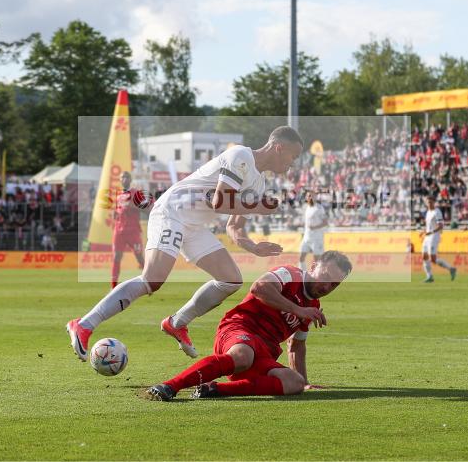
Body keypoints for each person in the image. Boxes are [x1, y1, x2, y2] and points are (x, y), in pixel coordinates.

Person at [67, 126, 304, 361]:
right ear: (279, 147)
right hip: (172, 212)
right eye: (293, 156)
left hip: (193, 226)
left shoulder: (259, 184)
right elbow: (219, 201)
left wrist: (252, 246)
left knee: (230, 279)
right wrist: (258, 207)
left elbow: (234, 227)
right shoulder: (240, 156)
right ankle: (84, 324)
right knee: (153, 278)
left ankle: (177, 322)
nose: (292, 164)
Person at [146, 251, 352, 401]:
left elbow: (296, 346)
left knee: (294, 383)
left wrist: (305, 382)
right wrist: (298, 310)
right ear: (313, 266)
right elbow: (259, 287)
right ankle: (170, 386)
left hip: (263, 353)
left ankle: (215, 390)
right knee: (243, 356)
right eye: (325, 277)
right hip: (239, 329)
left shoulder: (313, 306)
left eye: (334, 284)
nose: (326, 286)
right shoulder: (290, 274)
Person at [109, 171, 148, 288]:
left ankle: (149, 281)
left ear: (130, 180)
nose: (124, 179)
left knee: (139, 257)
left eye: (126, 177)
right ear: (120, 180)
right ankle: (113, 286)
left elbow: (145, 208)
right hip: (119, 230)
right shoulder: (118, 194)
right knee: (116, 256)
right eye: (122, 177)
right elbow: (118, 210)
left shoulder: (136, 193)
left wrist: (131, 206)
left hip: (133, 230)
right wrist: (115, 213)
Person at [419, 195, 456, 283]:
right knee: (424, 256)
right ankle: (429, 276)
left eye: (431, 201)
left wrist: (431, 232)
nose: (429, 203)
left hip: (434, 236)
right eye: (428, 202)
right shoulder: (428, 212)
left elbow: (441, 226)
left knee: (433, 259)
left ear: (434, 202)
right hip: (427, 236)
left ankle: (451, 269)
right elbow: (429, 226)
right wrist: (423, 231)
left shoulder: (437, 212)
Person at [298, 191, 328, 272]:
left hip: (316, 237)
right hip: (307, 237)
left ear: (315, 197)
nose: (310, 197)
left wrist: (314, 227)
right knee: (301, 257)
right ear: (306, 198)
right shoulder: (307, 208)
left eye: (312, 196)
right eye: (309, 196)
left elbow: (325, 222)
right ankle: (302, 275)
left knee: (317, 260)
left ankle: (317, 276)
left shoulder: (319, 208)